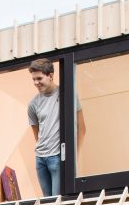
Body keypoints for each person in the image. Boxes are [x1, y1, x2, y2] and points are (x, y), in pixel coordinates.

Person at [27, 58, 85, 197]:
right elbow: (37, 134)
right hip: (40, 160)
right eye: (33, 79)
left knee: (58, 203)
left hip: (58, 158)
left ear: (51, 76)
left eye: (39, 78)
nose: (36, 83)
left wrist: (73, 157)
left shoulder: (67, 95)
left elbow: (81, 128)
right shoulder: (33, 105)